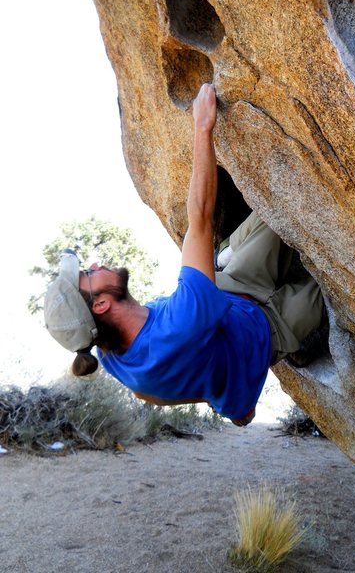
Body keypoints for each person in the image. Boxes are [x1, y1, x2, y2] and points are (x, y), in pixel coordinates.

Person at [44, 84, 324, 426]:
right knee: (333, 289)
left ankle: (230, 259)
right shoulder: (180, 326)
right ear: (100, 305)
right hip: (270, 327)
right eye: (87, 276)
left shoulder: (108, 352)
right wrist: (203, 126)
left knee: (280, 206)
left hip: (229, 286)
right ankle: (303, 339)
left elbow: (143, 393)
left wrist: (213, 389)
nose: (95, 264)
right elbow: (200, 216)